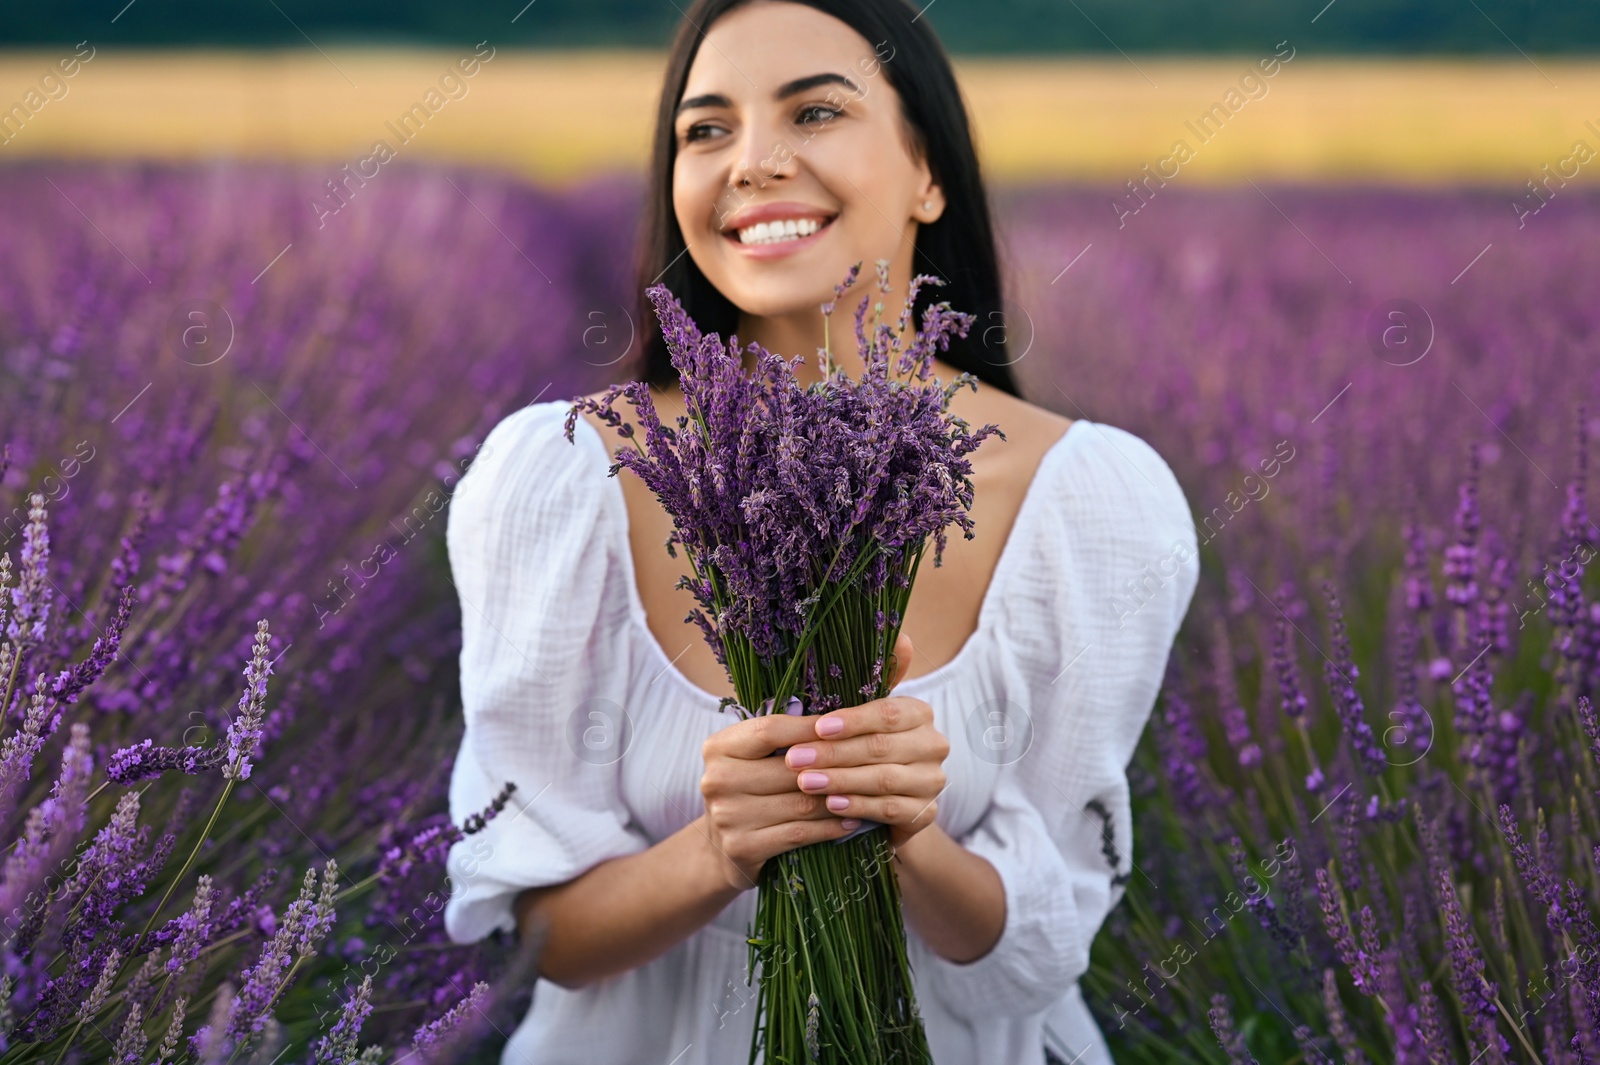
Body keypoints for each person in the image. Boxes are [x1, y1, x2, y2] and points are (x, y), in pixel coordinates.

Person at [442, 1, 1200, 1062]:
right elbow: (544, 937)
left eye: (815, 112)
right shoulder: (561, 480)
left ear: (927, 171)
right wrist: (719, 848)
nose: (751, 162)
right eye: (706, 130)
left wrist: (909, 839)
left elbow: (1043, 945)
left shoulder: (1090, 502)